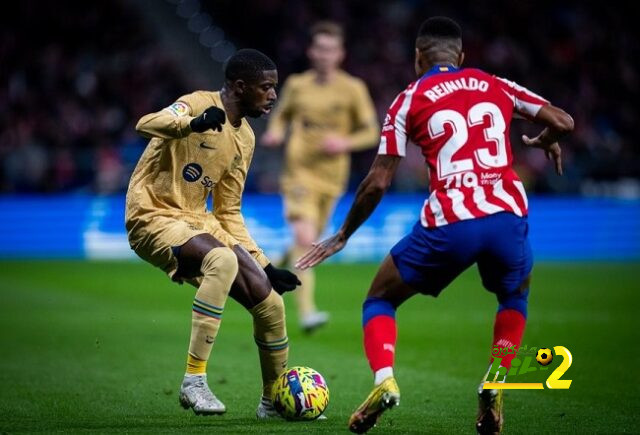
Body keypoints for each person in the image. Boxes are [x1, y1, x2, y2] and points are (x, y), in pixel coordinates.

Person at [296, 17, 573, 434]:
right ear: (460, 58)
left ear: (416, 59)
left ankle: (384, 379)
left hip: (452, 221)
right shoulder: (495, 83)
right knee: (514, 295)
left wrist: (343, 234)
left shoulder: (408, 98)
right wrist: (548, 135)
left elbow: (378, 181)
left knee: (379, 300)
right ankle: (496, 378)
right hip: (506, 215)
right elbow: (564, 121)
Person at [125, 49, 301, 418]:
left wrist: (265, 265)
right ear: (239, 87)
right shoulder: (195, 103)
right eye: (266, 88)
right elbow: (145, 123)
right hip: (151, 214)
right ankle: (194, 381)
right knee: (219, 259)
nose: (273, 96)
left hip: (196, 221)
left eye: (275, 88)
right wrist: (190, 124)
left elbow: (228, 212)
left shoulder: (246, 139)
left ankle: (272, 402)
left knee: (270, 305)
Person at [261, 21, 379, 332]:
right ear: (311, 51)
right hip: (298, 173)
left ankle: (271, 263)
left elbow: (371, 132)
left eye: (331, 49)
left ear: (340, 53)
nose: (324, 54)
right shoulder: (297, 85)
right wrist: (274, 132)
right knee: (305, 237)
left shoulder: (353, 89)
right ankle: (306, 311)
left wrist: (344, 142)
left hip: (332, 179)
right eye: (320, 48)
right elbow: (281, 115)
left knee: (307, 239)